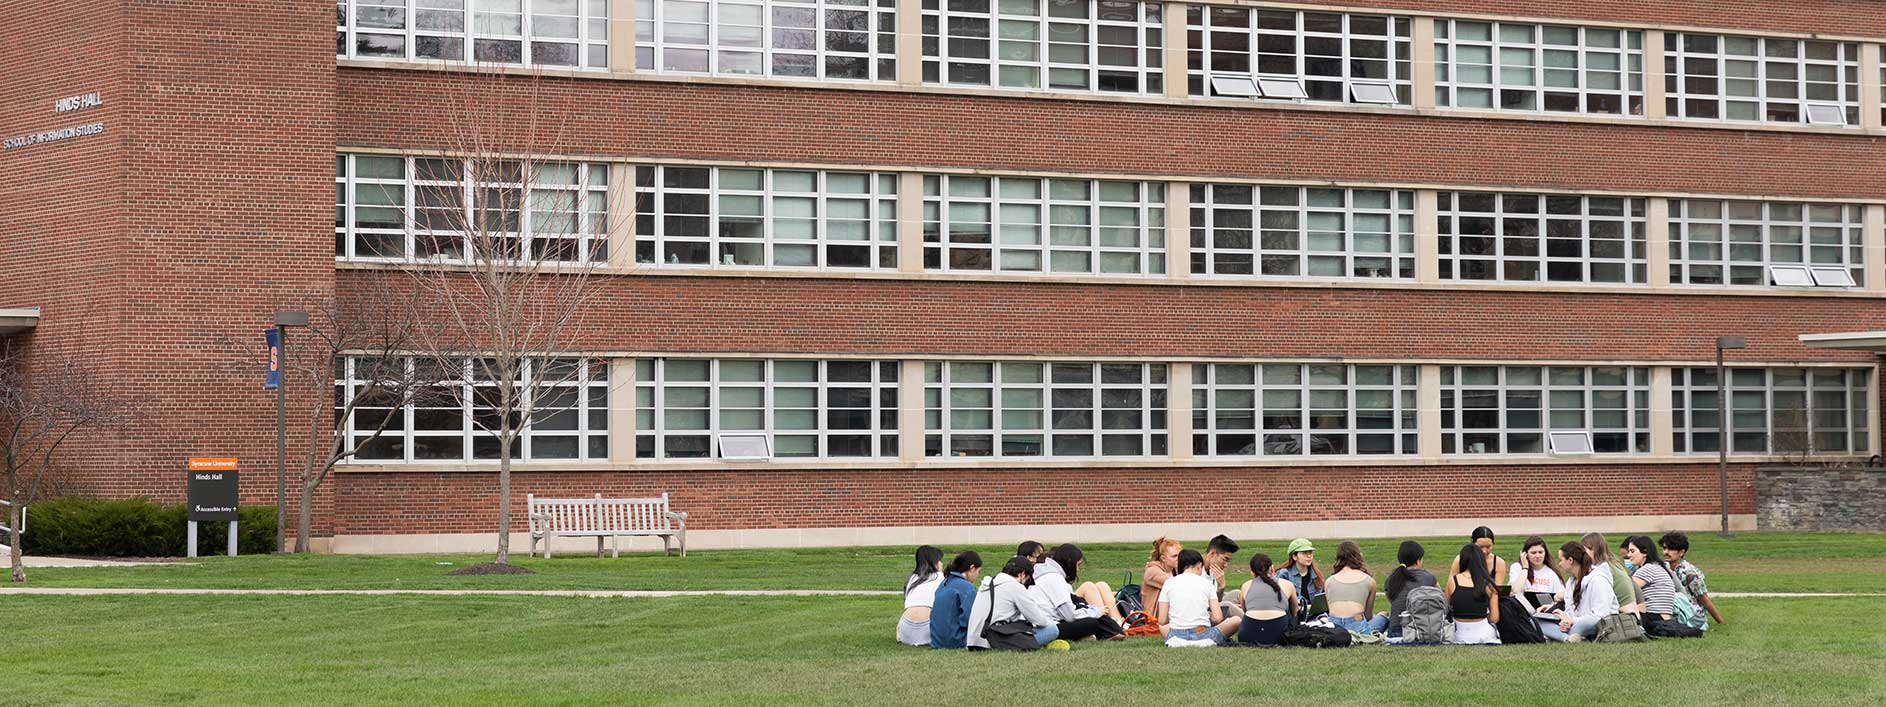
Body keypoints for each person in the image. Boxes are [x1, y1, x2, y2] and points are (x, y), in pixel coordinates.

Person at [1031, 544, 1125, 641]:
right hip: (1048, 626)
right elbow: (1069, 615)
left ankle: (1109, 632)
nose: (1078, 570)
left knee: (1085, 610)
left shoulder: (1047, 575)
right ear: (1070, 563)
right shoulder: (1055, 579)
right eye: (1077, 565)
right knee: (1091, 623)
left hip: (1046, 622)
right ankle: (1109, 633)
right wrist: (1096, 612)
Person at [968, 556, 1059, 650]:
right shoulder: (1015, 587)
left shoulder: (988, 583)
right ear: (1022, 574)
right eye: (1027, 580)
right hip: (992, 641)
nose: (1025, 584)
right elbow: (1040, 621)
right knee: (1052, 629)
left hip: (973, 641)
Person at [1159, 549, 1241, 646]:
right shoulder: (1207, 584)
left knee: (1161, 626)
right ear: (1199, 566)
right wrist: (1207, 615)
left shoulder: (1168, 583)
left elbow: (1162, 620)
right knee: (1236, 620)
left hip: (1176, 637)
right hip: (1204, 636)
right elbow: (1218, 618)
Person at [1539, 541, 1618, 642]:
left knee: (1585, 624)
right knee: (1536, 621)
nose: (1559, 563)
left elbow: (1601, 614)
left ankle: (1558, 635)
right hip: (1575, 624)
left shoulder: (1598, 580)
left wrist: (1571, 621)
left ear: (1570, 560)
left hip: (1598, 623)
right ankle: (1567, 638)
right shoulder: (1571, 582)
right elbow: (1569, 609)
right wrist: (1565, 621)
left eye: (1561, 559)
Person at [1659, 531, 1725, 627]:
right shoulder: (1663, 567)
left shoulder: (1689, 573)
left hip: (1691, 615)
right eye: (1664, 548)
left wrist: (1721, 622)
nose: (1666, 552)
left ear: (1681, 552)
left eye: (1671, 549)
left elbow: (1704, 599)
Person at [1324, 541, 1389, 635]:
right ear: (1359, 555)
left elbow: (1330, 610)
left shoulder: (1329, 581)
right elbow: (1368, 616)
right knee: (1384, 616)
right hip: (1359, 629)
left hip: (1334, 629)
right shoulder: (1369, 581)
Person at [1446, 542, 1501, 644]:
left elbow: (1446, 606)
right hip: (1484, 634)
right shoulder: (1489, 584)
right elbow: (1494, 618)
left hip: (1457, 634)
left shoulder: (1453, 581)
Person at [1236, 553, 1296, 646]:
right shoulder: (1287, 584)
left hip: (1248, 635)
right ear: (1272, 568)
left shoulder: (1246, 585)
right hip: (1280, 636)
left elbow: (1245, 610)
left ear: (1252, 572)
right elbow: (1294, 612)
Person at [1383, 540, 1437, 639]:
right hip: (1421, 631)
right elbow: (1439, 598)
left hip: (1395, 631)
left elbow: (1392, 600)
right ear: (1418, 561)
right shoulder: (1427, 577)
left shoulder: (1390, 579)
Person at [929, 551, 982, 649]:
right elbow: (970, 620)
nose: (978, 575)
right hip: (956, 641)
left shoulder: (944, 583)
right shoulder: (967, 588)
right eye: (978, 571)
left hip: (937, 641)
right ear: (972, 568)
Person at [1623, 535, 1677, 624]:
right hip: (1664, 618)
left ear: (1645, 552)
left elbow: (1626, 589)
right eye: (1629, 551)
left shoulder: (1648, 569)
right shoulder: (1657, 566)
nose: (1629, 555)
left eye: (1632, 551)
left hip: (1654, 618)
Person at [897, 545, 944, 646]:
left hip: (905, 631)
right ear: (934, 562)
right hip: (927, 630)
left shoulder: (910, 578)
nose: (941, 563)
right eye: (939, 560)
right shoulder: (940, 577)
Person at [1582, 532, 1639, 615]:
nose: (1582, 555)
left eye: (1584, 551)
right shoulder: (1613, 564)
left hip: (1622, 619)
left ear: (1593, 549)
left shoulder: (1602, 570)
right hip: (1630, 616)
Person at [1508, 535, 1565, 612]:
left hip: (1544, 613)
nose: (1537, 556)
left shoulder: (1552, 573)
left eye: (1540, 552)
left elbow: (1560, 599)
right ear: (1525, 554)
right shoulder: (1517, 567)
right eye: (1533, 553)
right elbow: (1515, 590)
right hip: (1520, 613)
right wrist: (1525, 568)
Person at [1273, 538, 1325, 618]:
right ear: (1294, 556)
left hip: (1314, 618)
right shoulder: (1283, 574)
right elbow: (1279, 601)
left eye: (1310, 552)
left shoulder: (1316, 574)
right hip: (1292, 618)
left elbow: (1321, 602)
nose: (1309, 556)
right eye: (1304, 553)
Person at [1203, 535, 1244, 618]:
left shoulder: (1212, 568)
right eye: (1225, 559)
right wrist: (1221, 587)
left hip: (1211, 606)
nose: (1225, 565)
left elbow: (1216, 598)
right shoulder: (1195, 569)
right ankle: (1254, 625)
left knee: (1237, 593)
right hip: (1202, 614)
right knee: (1228, 605)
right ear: (1212, 553)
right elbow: (1210, 605)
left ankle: (1255, 615)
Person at [1141, 537, 1182, 613]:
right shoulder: (1152, 571)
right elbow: (1177, 585)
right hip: (1154, 619)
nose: (1179, 558)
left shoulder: (1174, 570)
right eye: (1174, 556)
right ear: (1163, 558)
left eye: (1180, 555)